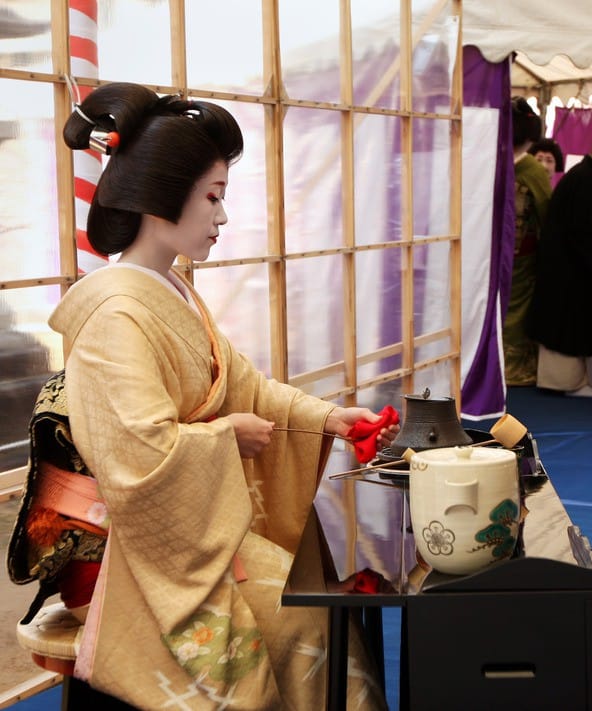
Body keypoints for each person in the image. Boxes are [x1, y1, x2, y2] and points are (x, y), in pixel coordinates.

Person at [11, 82, 398, 709]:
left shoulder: (171, 290)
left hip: (184, 533)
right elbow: (137, 458)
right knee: (299, 624)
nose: (222, 217)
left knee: (317, 604)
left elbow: (247, 387)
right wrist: (226, 437)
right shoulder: (114, 313)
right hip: (131, 552)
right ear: (161, 198)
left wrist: (330, 419)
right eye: (213, 197)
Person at [528, 130, 592, 397]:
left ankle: (568, 381)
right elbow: (583, 229)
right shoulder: (585, 178)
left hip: (563, 262)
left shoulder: (585, 175)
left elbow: (585, 225)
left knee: (564, 320)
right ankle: (566, 382)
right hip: (567, 266)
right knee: (566, 321)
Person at [504, 97, 552, 386]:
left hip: (491, 249)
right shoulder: (532, 169)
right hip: (523, 250)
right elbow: (547, 210)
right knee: (518, 308)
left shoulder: (492, 161)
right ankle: (515, 368)